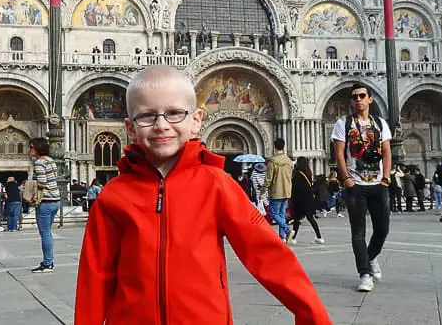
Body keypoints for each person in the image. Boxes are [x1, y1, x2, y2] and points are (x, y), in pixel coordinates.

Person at [76, 66, 331, 324]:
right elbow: (94, 279)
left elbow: (269, 255)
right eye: (147, 116)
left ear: (196, 120)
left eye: (174, 113)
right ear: (130, 128)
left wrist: (313, 316)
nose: (161, 125)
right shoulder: (113, 196)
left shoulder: (217, 185)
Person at [331, 82, 392, 292]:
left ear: (370, 99)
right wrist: (346, 178)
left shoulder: (381, 124)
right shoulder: (343, 123)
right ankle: (365, 274)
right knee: (358, 232)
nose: (358, 99)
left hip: (378, 183)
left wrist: (386, 178)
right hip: (355, 183)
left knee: (382, 229)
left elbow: (386, 151)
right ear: (351, 101)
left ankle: (371, 256)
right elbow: (339, 153)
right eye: (354, 97)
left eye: (362, 96)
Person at [30, 137, 61, 273]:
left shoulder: (39, 162)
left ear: (37, 149)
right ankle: (49, 261)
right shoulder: (51, 161)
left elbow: (42, 184)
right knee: (47, 233)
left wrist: (34, 198)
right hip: (56, 200)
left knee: (45, 234)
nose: (29, 150)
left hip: (46, 202)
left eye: (31, 147)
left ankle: (48, 263)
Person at [265, 138, 294, 242]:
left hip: (276, 192)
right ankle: (282, 238)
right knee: (281, 213)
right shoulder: (289, 162)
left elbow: (268, 179)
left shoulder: (272, 162)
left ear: (274, 147)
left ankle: (286, 230)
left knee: (273, 214)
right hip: (286, 191)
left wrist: (263, 190)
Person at [290, 157, 324, 245]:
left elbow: (295, 188)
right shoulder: (308, 173)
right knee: (310, 218)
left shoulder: (297, 174)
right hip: (308, 199)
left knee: (296, 220)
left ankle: (293, 238)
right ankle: (319, 237)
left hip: (299, 200)